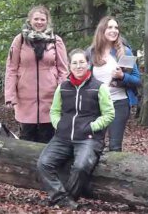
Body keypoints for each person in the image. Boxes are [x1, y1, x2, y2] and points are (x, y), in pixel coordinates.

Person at [36, 49, 115, 209]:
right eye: (74, 63)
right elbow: (54, 111)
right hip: (63, 137)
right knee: (43, 163)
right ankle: (61, 198)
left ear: (88, 64)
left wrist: (92, 127)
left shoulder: (99, 87)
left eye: (82, 62)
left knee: (81, 166)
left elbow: (109, 114)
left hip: (88, 139)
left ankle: (68, 199)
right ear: (70, 65)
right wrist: (59, 125)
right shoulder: (63, 87)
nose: (78, 66)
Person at [4, 6, 68, 143]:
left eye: (42, 19)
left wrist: (64, 93)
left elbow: (63, 70)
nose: (39, 22)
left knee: (48, 139)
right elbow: (11, 69)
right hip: (25, 99)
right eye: (36, 19)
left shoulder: (56, 40)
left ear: (47, 21)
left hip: (50, 100)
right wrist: (10, 95)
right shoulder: (20, 40)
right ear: (30, 20)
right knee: (26, 140)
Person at [86, 16, 142, 152]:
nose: (114, 30)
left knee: (114, 147)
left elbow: (137, 80)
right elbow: (85, 78)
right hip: (96, 104)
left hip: (119, 104)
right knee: (93, 144)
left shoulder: (124, 51)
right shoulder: (91, 52)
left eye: (116, 28)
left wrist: (122, 76)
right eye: (110, 27)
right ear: (102, 30)